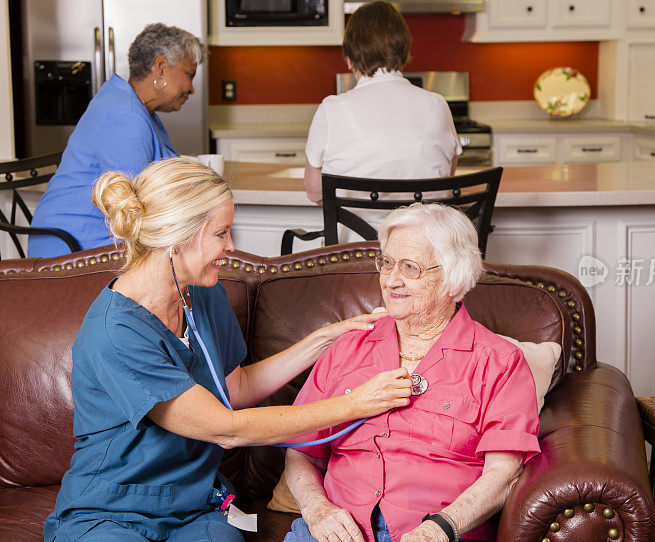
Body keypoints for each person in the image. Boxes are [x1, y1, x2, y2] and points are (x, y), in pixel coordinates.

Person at [43, 157, 413, 542]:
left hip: (193, 507)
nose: (231, 247)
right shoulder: (116, 332)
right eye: (221, 233)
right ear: (176, 237)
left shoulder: (203, 292)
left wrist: (323, 339)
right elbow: (226, 429)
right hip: (112, 511)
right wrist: (356, 403)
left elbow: (234, 391)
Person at [284, 203, 540, 542]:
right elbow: (301, 451)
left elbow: (504, 474)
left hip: (439, 531)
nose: (391, 280)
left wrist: (440, 528)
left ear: (453, 278)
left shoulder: (499, 362)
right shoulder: (348, 347)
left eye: (410, 268)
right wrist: (318, 510)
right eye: (387, 263)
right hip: (337, 530)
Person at [29, 23, 204, 258]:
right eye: (189, 75)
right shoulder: (125, 117)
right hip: (72, 252)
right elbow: (138, 208)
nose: (191, 89)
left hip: (91, 242)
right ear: (161, 68)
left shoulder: (136, 109)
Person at [303, 1, 462, 205]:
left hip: (358, 238)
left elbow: (315, 192)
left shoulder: (331, 109)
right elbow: (445, 180)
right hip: (423, 236)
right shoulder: (437, 104)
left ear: (349, 59)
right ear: (404, 52)